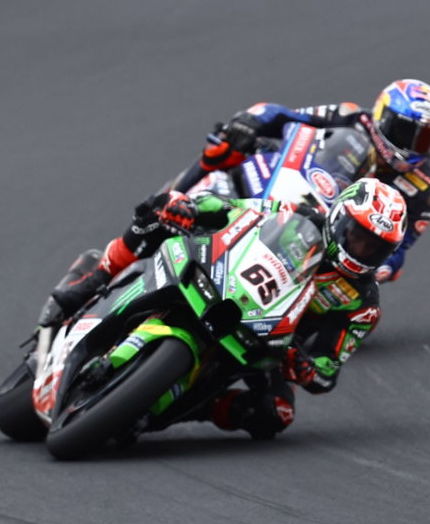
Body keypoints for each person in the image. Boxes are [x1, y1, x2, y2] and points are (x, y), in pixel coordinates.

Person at [42, 178, 407, 438]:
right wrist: (191, 207)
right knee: (157, 213)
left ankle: (182, 406)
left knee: (275, 415)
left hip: (271, 344)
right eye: (357, 236)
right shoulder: (298, 214)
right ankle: (90, 283)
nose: (361, 249)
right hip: (224, 283)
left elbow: (329, 368)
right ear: (339, 218)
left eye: (374, 247)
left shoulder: (363, 304)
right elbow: (236, 211)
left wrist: (306, 367)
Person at [180, 79, 430, 283]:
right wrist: (249, 122)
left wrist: (382, 268)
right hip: (292, 192)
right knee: (224, 150)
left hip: (335, 244)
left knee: (353, 287)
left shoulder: (424, 190)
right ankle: (173, 199)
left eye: (425, 139)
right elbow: (281, 116)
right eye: (408, 133)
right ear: (384, 117)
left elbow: (399, 249)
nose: (415, 146)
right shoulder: (352, 117)